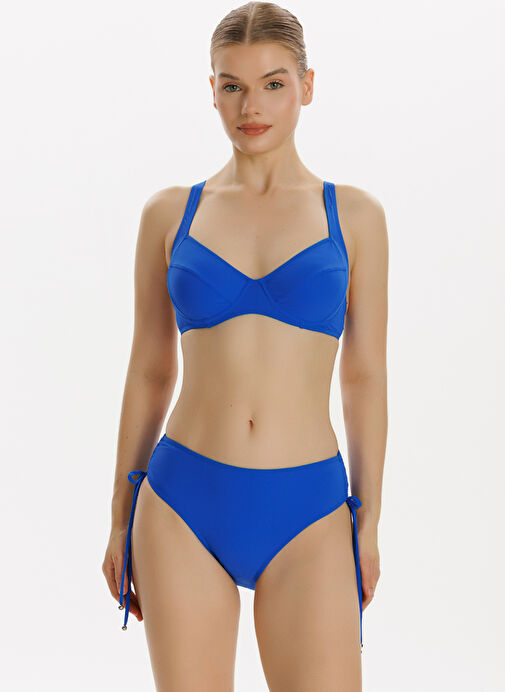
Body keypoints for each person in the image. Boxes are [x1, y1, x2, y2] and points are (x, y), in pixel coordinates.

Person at [102, 2, 387, 690]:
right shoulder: (170, 213)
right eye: (231, 85)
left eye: (272, 84)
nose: (250, 106)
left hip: (309, 508)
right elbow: (149, 371)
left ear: (307, 86)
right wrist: (118, 520)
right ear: (212, 91)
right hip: (182, 504)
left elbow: (364, 377)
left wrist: (369, 519)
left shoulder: (353, 215)